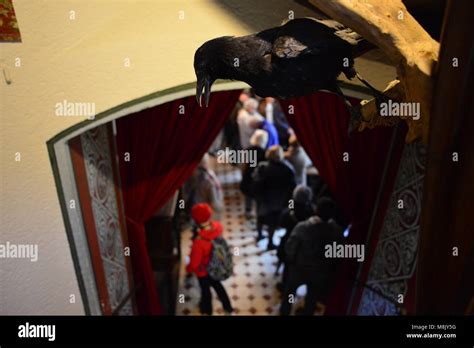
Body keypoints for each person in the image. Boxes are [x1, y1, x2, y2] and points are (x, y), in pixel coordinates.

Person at [280, 197, 343, 316]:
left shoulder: (303, 227)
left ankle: (285, 311)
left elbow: (290, 246)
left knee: (290, 293)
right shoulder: (336, 232)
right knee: (312, 297)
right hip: (320, 270)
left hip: (299, 268)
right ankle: (307, 312)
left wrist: (291, 260)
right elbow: (338, 252)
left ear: (316, 209)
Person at [186, 203, 234, 315]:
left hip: (203, 271)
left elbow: (194, 264)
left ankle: (207, 311)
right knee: (218, 287)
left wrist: (188, 268)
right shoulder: (218, 227)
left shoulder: (199, 242)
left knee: (205, 291)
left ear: (195, 220)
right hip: (216, 266)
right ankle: (228, 308)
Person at [253, 145, 296, 250]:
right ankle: (270, 242)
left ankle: (259, 235)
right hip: (278, 201)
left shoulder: (262, 167)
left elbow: (255, 183)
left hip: (263, 199)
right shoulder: (288, 169)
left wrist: (258, 197)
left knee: (260, 217)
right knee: (273, 222)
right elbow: (292, 187)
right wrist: (289, 203)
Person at [276, 185, 315, 289]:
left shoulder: (290, 211)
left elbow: (281, 223)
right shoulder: (311, 211)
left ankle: (284, 285)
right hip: (306, 245)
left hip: (290, 241)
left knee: (287, 266)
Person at [182, 153, 224, 221]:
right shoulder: (210, 179)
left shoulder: (186, 175)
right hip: (204, 213)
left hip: (191, 212)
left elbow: (183, 197)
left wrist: (182, 209)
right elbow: (216, 205)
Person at [240, 130, 268, 218]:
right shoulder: (265, 152)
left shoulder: (248, 150)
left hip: (248, 175)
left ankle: (248, 211)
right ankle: (259, 213)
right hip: (258, 178)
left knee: (248, 195)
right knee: (258, 197)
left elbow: (244, 164)